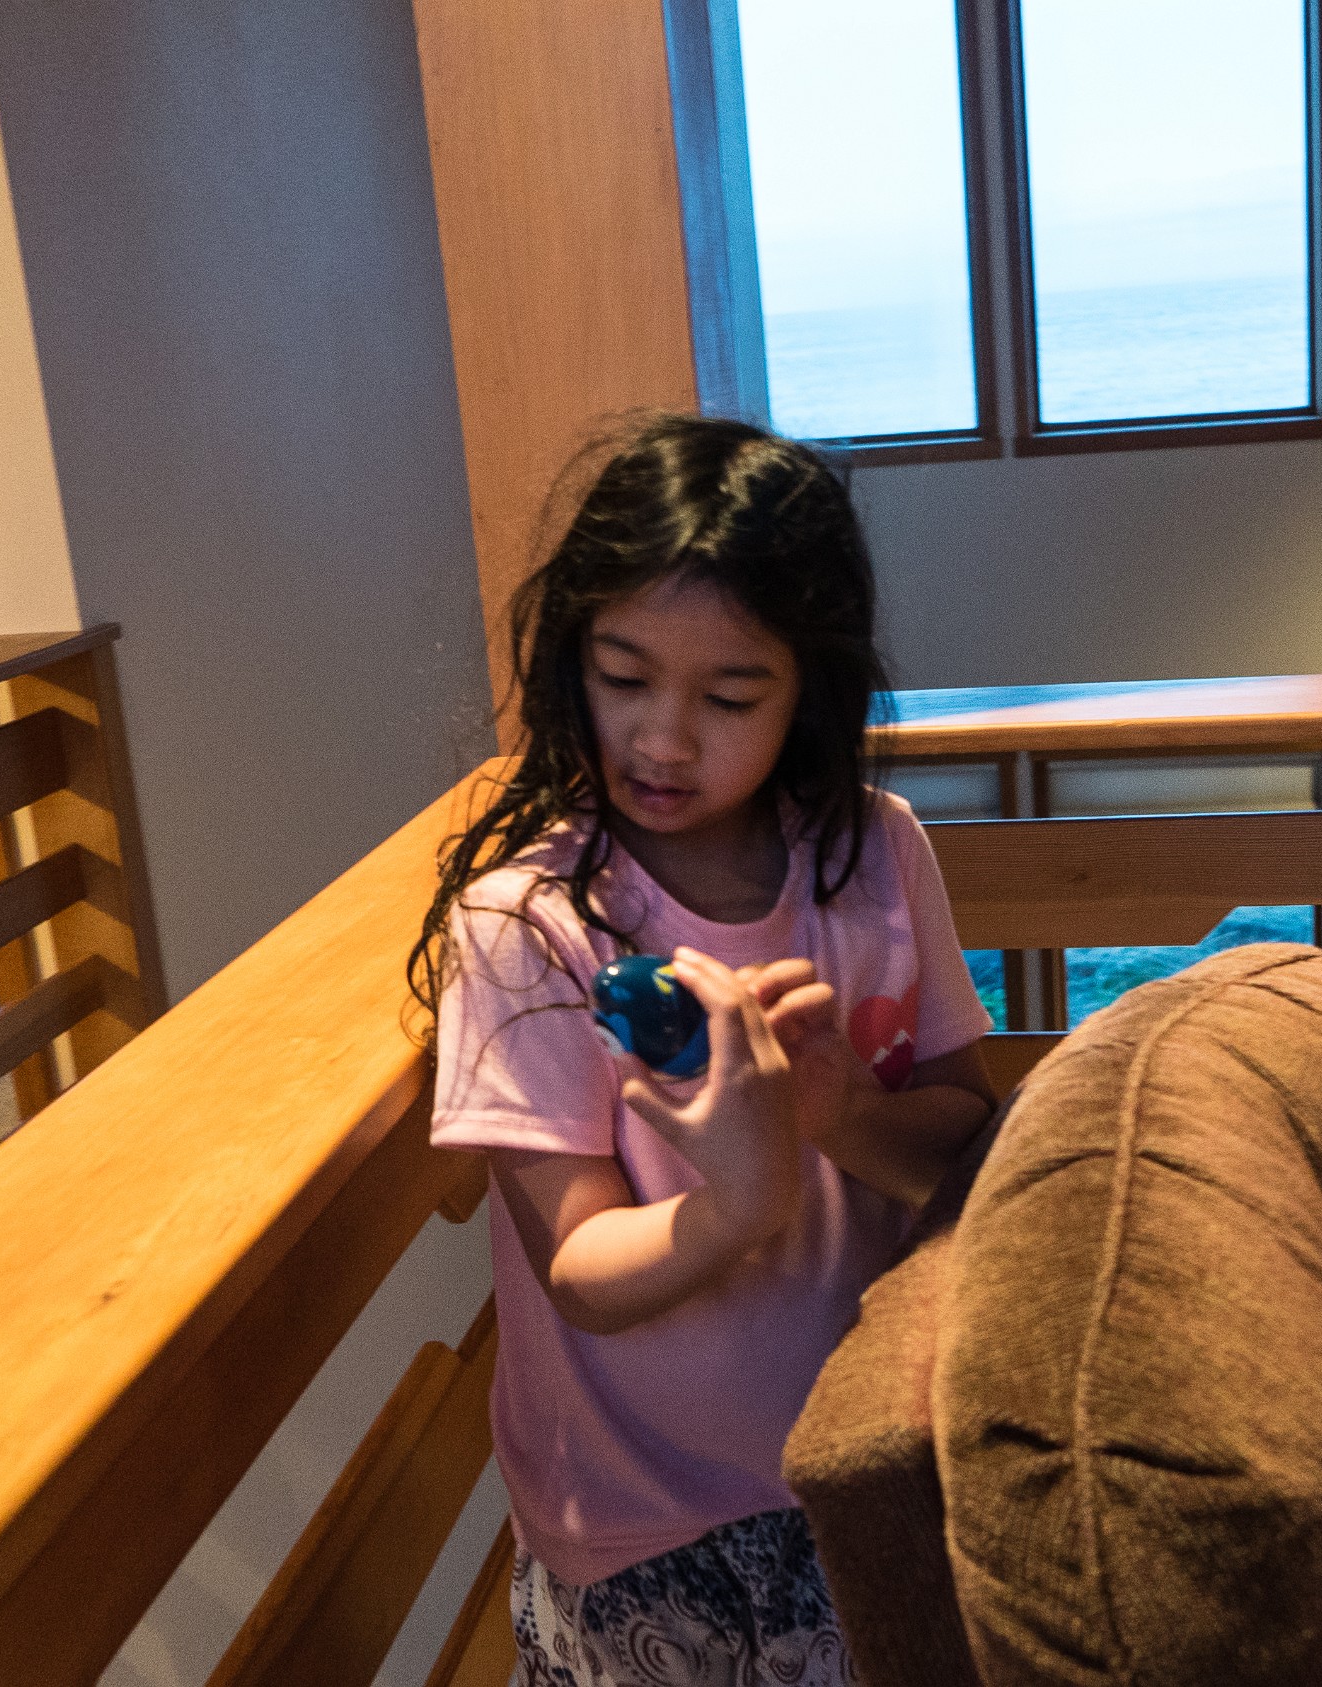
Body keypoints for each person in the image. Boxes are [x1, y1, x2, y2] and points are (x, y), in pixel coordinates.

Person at [410, 415, 997, 1685]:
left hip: (866, 1470)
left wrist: (845, 1114)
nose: (664, 739)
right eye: (624, 677)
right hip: (636, 1527)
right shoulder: (533, 922)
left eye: (730, 697)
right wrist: (738, 1200)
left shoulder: (875, 852)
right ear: (570, 657)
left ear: (808, 692)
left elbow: (965, 1149)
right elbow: (581, 1266)